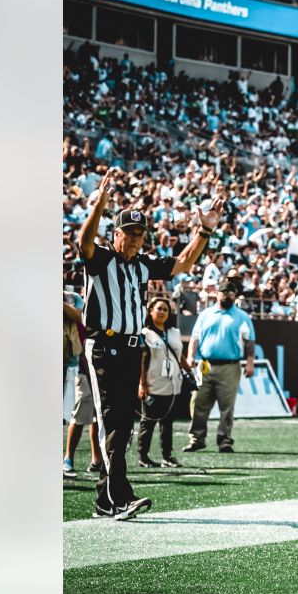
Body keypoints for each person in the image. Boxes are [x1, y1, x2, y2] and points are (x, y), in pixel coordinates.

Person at [77, 167, 223, 520]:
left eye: (141, 234)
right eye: (129, 233)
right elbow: (83, 243)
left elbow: (184, 262)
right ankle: (121, 497)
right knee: (113, 420)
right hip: (104, 347)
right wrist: (98, 204)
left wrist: (204, 230)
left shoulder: (142, 265)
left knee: (123, 423)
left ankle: (103, 500)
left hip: (130, 348)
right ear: (116, 234)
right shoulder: (102, 259)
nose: (136, 239)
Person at [185, 279, 256, 454]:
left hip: (229, 367)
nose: (228, 296)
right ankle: (197, 439)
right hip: (205, 365)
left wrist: (250, 361)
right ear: (217, 294)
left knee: (227, 406)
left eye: (231, 293)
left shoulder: (242, 316)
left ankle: (224, 440)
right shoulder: (205, 314)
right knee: (198, 402)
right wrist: (189, 356)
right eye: (224, 292)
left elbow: (250, 341)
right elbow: (195, 337)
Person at [137, 297, 190, 467]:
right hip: (153, 384)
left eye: (165, 310)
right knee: (148, 422)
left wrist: (190, 371)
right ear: (151, 310)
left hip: (173, 383)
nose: (162, 312)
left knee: (167, 423)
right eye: (159, 308)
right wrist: (142, 383)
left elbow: (179, 355)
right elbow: (141, 360)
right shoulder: (145, 333)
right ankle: (143, 457)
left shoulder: (174, 332)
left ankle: (167, 456)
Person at [63, 292, 103, 478]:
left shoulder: (74, 299)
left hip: (92, 364)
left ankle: (96, 460)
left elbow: (80, 316)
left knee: (96, 414)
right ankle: (68, 458)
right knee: (79, 414)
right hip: (80, 366)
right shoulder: (73, 298)